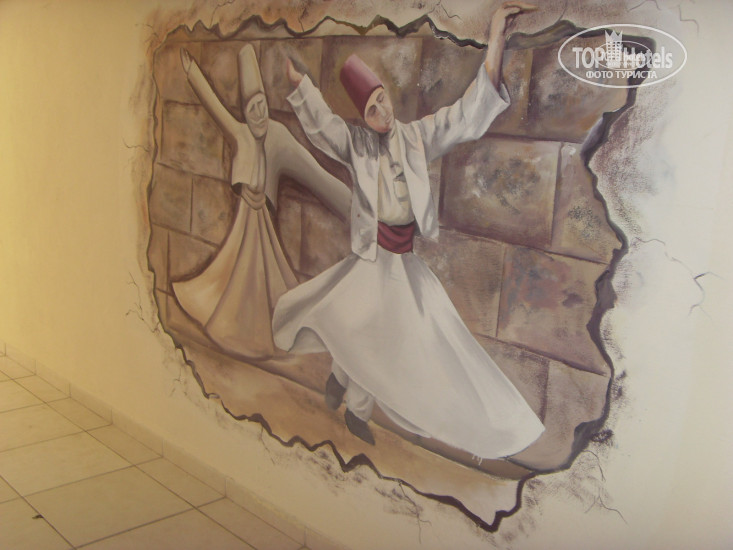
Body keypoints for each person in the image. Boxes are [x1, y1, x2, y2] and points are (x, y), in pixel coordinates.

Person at [272, 2, 545, 458]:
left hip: (404, 262)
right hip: (371, 258)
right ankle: (354, 405)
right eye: (371, 109)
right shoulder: (357, 144)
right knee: (361, 330)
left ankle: (344, 384)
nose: (381, 111)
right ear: (363, 117)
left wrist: (496, 37)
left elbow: (465, 117)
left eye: (381, 100)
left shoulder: (418, 136)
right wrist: (300, 85)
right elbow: (325, 129)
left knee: (401, 337)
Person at [172, 44, 350, 360]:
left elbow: (315, 173)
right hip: (242, 229)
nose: (258, 113)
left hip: (262, 230)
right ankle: (235, 328)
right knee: (232, 284)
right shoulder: (239, 135)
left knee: (267, 288)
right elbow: (213, 105)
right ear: (244, 110)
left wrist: (355, 206)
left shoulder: (278, 137)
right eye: (252, 107)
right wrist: (192, 72)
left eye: (262, 105)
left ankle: (262, 331)